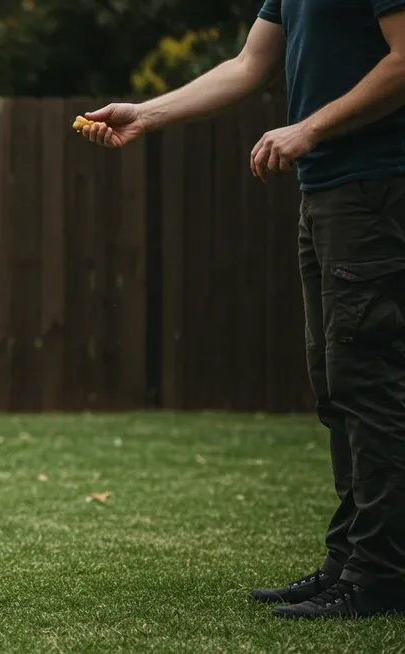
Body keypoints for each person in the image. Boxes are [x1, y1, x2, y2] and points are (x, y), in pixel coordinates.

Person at [79, 0, 405, 619]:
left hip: (378, 187)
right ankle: (349, 561)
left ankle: (383, 573)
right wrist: (144, 114)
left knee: (372, 384)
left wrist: (309, 128)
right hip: (327, 189)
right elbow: (249, 63)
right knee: (337, 385)